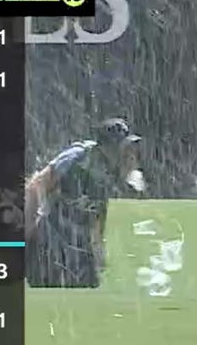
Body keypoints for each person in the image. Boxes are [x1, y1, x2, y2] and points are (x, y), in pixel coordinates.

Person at [25, 119, 141, 288]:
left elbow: (100, 214)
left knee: (88, 289)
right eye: (123, 148)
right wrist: (27, 227)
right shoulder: (79, 155)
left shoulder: (114, 172)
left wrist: (99, 252)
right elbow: (38, 184)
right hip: (52, 237)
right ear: (106, 147)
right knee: (47, 286)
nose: (128, 154)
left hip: (79, 245)